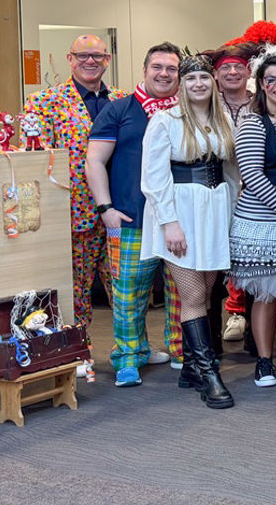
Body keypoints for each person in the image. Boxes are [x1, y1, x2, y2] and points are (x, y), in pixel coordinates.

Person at [140, 54, 238, 409]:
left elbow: (231, 172)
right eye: (191, 78)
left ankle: (191, 370)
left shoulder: (223, 119)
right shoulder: (165, 121)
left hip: (214, 213)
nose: (198, 84)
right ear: (181, 85)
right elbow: (153, 178)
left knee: (208, 292)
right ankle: (209, 373)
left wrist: (232, 217)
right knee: (193, 294)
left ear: (213, 83)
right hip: (180, 215)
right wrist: (170, 223)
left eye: (204, 78)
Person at [22, 34, 125, 366]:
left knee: (126, 286)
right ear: (70, 59)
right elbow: (36, 163)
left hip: (121, 210)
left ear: (107, 59)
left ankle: (130, 348)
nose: (90, 61)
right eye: (82, 55)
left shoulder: (123, 100)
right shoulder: (44, 103)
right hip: (74, 213)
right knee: (76, 290)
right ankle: (78, 352)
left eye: (97, 55)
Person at [86, 42, 184, 387]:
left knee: (182, 293)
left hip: (179, 221)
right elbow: (94, 160)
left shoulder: (187, 111)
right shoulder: (119, 110)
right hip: (130, 220)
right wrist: (106, 209)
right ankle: (129, 356)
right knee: (128, 295)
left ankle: (182, 351)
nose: (164, 74)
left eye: (171, 69)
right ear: (144, 70)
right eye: (157, 67)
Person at [230, 53, 276, 387]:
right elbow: (252, 175)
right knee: (266, 294)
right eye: (271, 79)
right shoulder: (253, 123)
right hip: (261, 222)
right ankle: (263, 360)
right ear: (261, 85)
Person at [204, 40, 256, 350]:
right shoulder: (206, 105)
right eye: (226, 68)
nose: (233, 72)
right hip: (215, 196)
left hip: (255, 198)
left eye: (239, 67)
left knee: (254, 268)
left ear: (248, 72)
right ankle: (211, 344)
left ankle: (255, 338)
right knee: (212, 270)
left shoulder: (261, 104)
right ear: (216, 73)